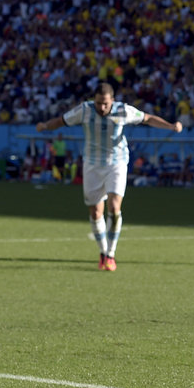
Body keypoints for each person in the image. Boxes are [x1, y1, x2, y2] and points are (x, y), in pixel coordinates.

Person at [35, 82, 182, 270]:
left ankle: (111, 253)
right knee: (96, 212)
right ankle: (103, 252)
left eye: (105, 103)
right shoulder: (85, 110)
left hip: (117, 163)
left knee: (114, 206)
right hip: (92, 165)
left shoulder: (123, 111)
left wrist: (171, 126)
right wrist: (45, 125)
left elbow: (147, 118)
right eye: (98, 103)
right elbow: (61, 120)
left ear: (112, 100)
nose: (102, 107)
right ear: (93, 101)